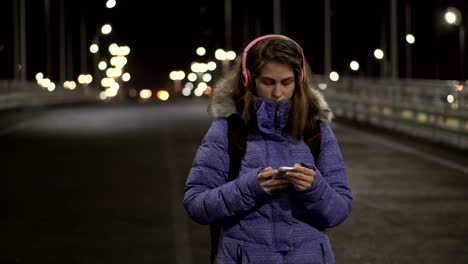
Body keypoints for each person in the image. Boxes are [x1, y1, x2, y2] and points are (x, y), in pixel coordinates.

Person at [183, 34, 353, 264]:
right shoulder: (227, 130)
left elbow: (339, 209)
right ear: (249, 80)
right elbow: (196, 204)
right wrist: (251, 187)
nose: (277, 93)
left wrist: (314, 187)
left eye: (286, 82)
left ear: (299, 80)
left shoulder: (317, 131)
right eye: (267, 82)